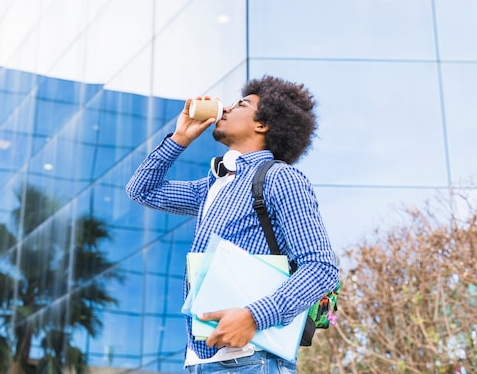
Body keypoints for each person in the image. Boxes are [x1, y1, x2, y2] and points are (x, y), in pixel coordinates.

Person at [126, 75, 339, 373]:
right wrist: (180, 139)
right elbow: (142, 190)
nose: (224, 109)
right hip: (202, 362)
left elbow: (321, 268)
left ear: (262, 125)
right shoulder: (212, 186)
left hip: (252, 360)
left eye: (240, 104)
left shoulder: (280, 179)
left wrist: (254, 316)